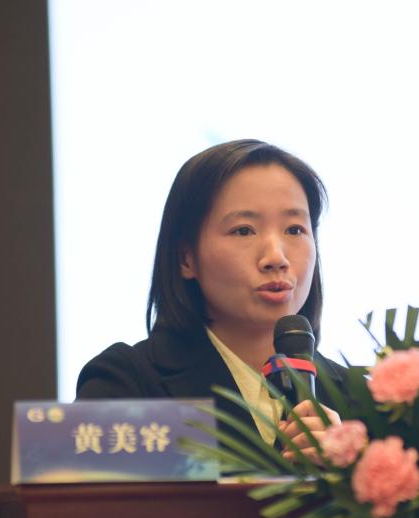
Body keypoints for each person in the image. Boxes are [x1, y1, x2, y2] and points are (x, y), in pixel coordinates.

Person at [76, 139, 344, 457]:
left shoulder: (364, 401)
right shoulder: (127, 386)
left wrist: (348, 472)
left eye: (295, 230)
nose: (276, 257)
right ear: (186, 258)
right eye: (244, 230)